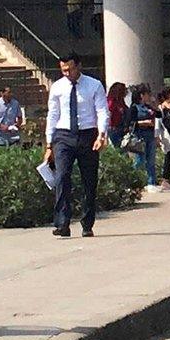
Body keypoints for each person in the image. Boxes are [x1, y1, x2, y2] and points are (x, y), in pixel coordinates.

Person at [43, 53, 107, 238]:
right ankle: (62, 223)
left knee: (89, 181)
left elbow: (102, 111)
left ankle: (87, 223)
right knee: (62, 177)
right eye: (63, 70)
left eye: (70, 69)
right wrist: (49, 144)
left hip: (88, 135)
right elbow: (52, 115)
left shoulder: (94, 85)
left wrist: (101, 135)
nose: (67, 73)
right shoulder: (57, 87)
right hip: (63, 135)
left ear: (78, 66)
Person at [128, 85, 161, 192]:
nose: (149, 96)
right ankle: (134, 181)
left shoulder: (149, 107)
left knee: (151, 159)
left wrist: (155, 106)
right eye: (148, 94)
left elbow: (159, 115)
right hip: (140, 136)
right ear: (142, 95)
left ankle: (151, 182)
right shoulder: (134, 107)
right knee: (140, 160)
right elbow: (130, 122)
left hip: (150, 135)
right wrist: (143, 123)